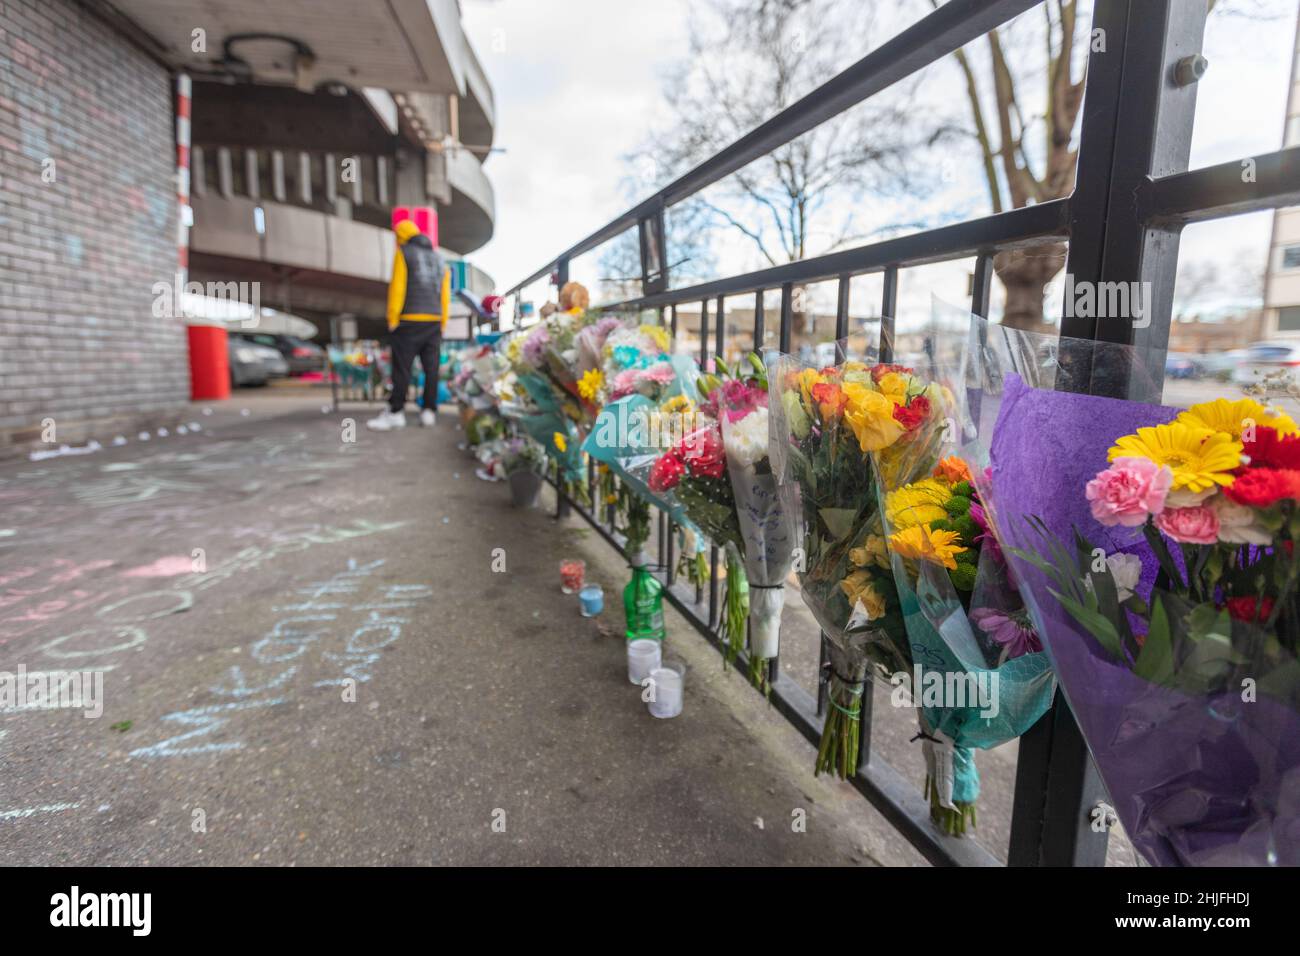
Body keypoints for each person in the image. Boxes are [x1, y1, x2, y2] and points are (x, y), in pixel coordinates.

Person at [367, 219, 451, 430]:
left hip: (408, 321)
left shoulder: (404, 252)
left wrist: (393, 318)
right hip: (434, 321)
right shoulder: (440, 259)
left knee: (402, 369)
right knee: (431, 369)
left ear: (400, 236)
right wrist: (443, 321)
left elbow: (398, 288)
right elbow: (445, 294)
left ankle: (396, 412)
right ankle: (428, 412)